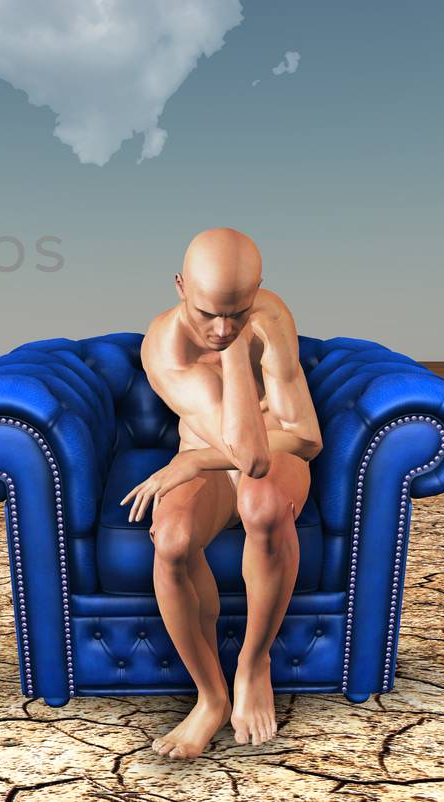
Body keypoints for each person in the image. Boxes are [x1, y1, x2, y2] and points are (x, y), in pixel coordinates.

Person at [121, 227, 322, 758]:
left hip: (258, 455)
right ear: (180, 286)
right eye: (208, 313)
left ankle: (254, 665)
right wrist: (239, 356)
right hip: (221, 454)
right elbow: (243, 446)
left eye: (237, 312)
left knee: (264, 500)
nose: (222, 327)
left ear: (257, 291)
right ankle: (210, 698)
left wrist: (190, 459)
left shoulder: (270, 316)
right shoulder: (165, 349)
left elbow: (302, 440)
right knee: (172, 541)